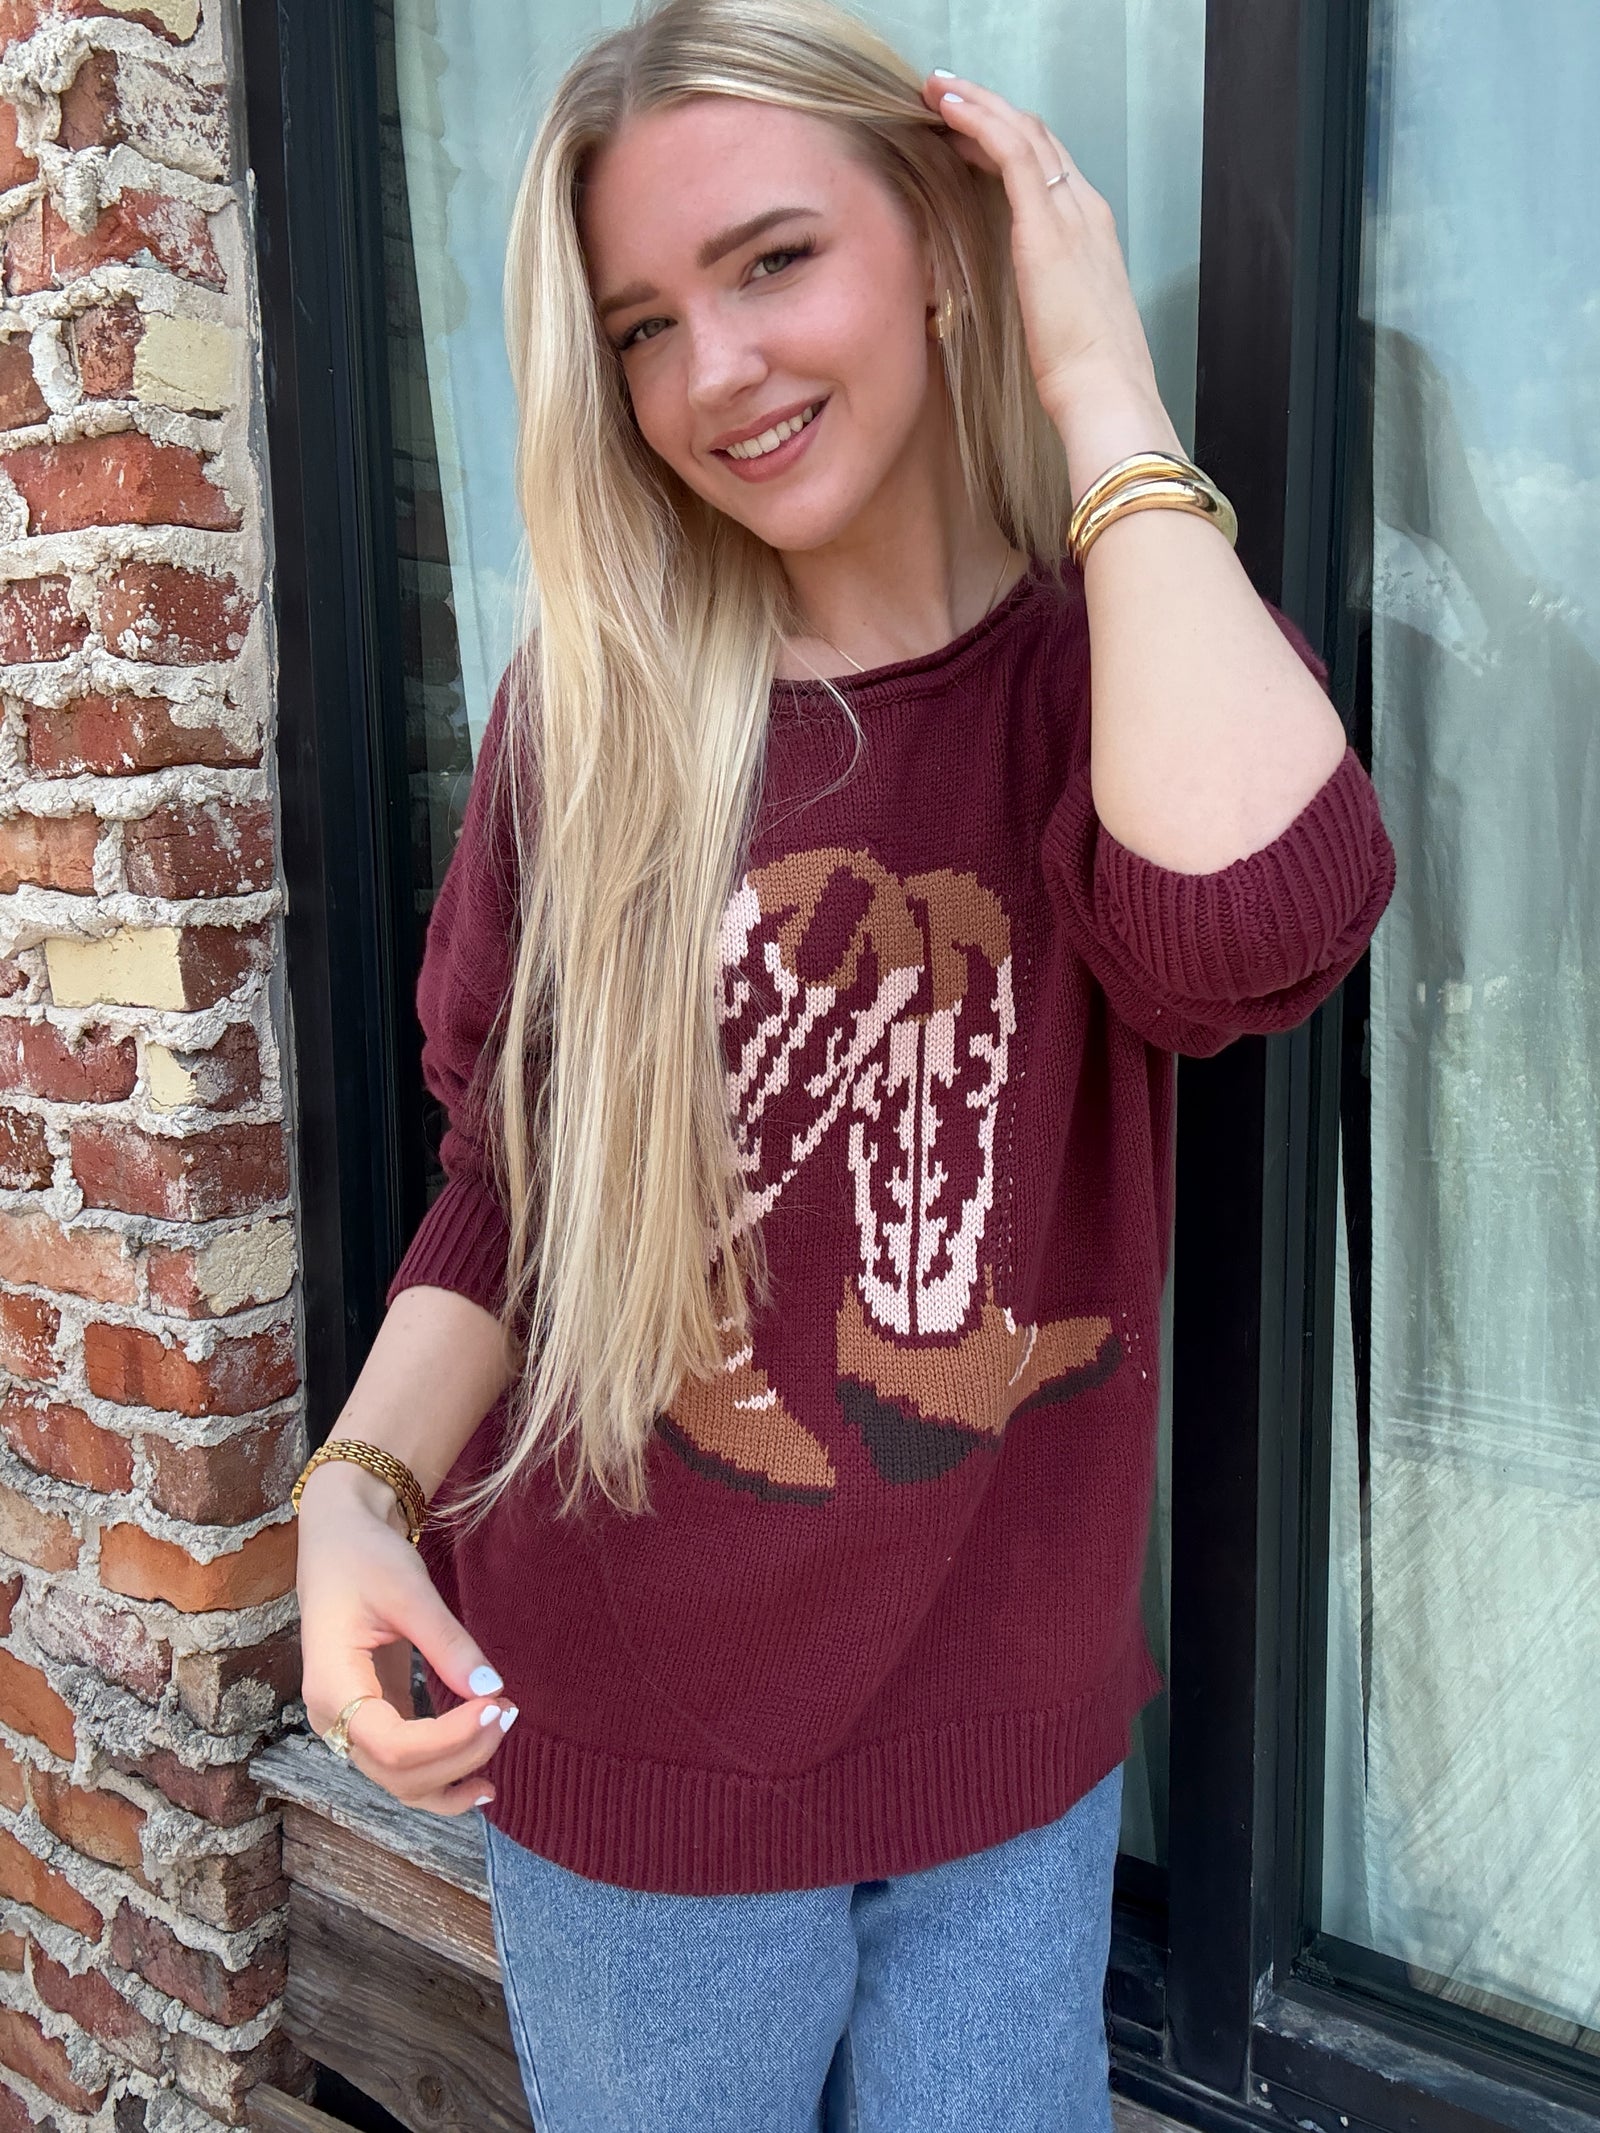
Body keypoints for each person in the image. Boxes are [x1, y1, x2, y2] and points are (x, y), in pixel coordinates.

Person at [291, 0, 1395, 2125]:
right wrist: (357, 1491)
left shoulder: (1110, 678)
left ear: (945, 252)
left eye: (773, 259)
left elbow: (1253, 931)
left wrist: (1093, 384)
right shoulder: (597, 715)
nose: (712, 372)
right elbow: (511, 1181)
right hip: (628, 1765)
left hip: (1008, 1752)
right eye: (639, 324)